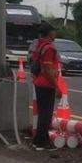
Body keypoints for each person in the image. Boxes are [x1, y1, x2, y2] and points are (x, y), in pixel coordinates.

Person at [31, 21, 62, 151]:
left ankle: (38, 140)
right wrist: (56, 86)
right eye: (54, 30)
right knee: (46, 114)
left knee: (43, 113)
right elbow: (48, 68)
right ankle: (42, 142)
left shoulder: (39, 45)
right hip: (46, 84)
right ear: (49, 33)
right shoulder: (49, 48)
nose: (55, 32)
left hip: (39, 82)